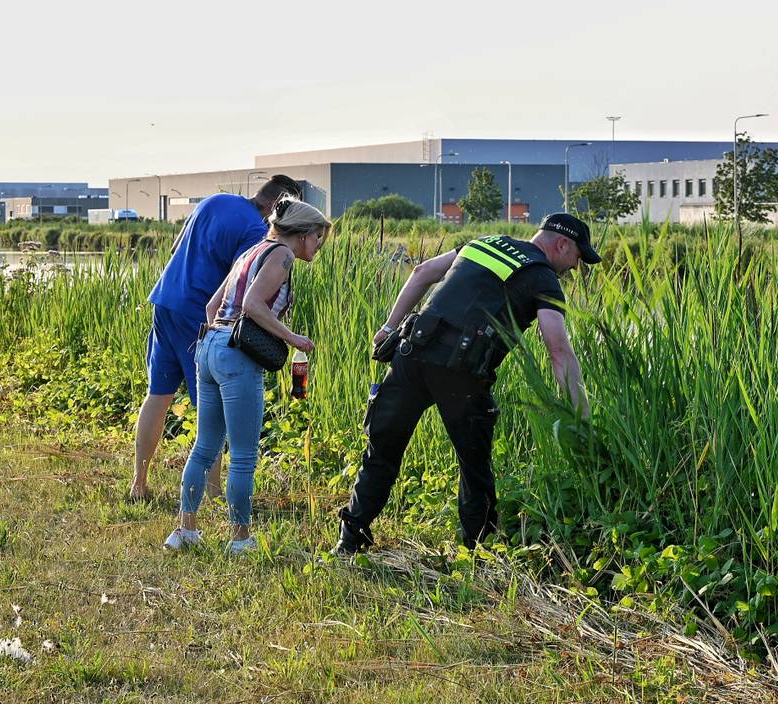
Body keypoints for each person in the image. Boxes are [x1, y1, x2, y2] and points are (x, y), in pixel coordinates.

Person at [332, 212, 599, 555]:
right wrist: (582, 419)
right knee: (474, 467)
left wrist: (387, 328)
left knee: (381, 451)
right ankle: (477, 552)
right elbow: (559, 352)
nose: (575, 267)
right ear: (562, 244)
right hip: (462, 373)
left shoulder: (485, 243)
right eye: (578, 257)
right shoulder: (543, 277)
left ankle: (350, 538)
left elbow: (421, 273)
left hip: (412, 353)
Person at [163, 200, 330, 554]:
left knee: (205, 446)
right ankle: (240, 539)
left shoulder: (251, 251)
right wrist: (293, 338)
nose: (318, 246)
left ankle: (185, 530)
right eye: (318, 238)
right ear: (301, 234)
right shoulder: (281, 255)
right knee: (242, 455)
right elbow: (253, 305)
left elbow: (212, 307)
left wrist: (218, 343)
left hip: (209, 348)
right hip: (237, 356)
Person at [130, 175, 303, 501]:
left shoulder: (216, 201)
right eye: (286, 212)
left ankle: (139, 483)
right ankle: (211, 492)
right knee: (213, 407)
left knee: (158, 393)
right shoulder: (257, 232)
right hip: (198, 314)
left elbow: (175, 246)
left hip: (166, 300)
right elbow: (245, 286)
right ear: (273, 207)